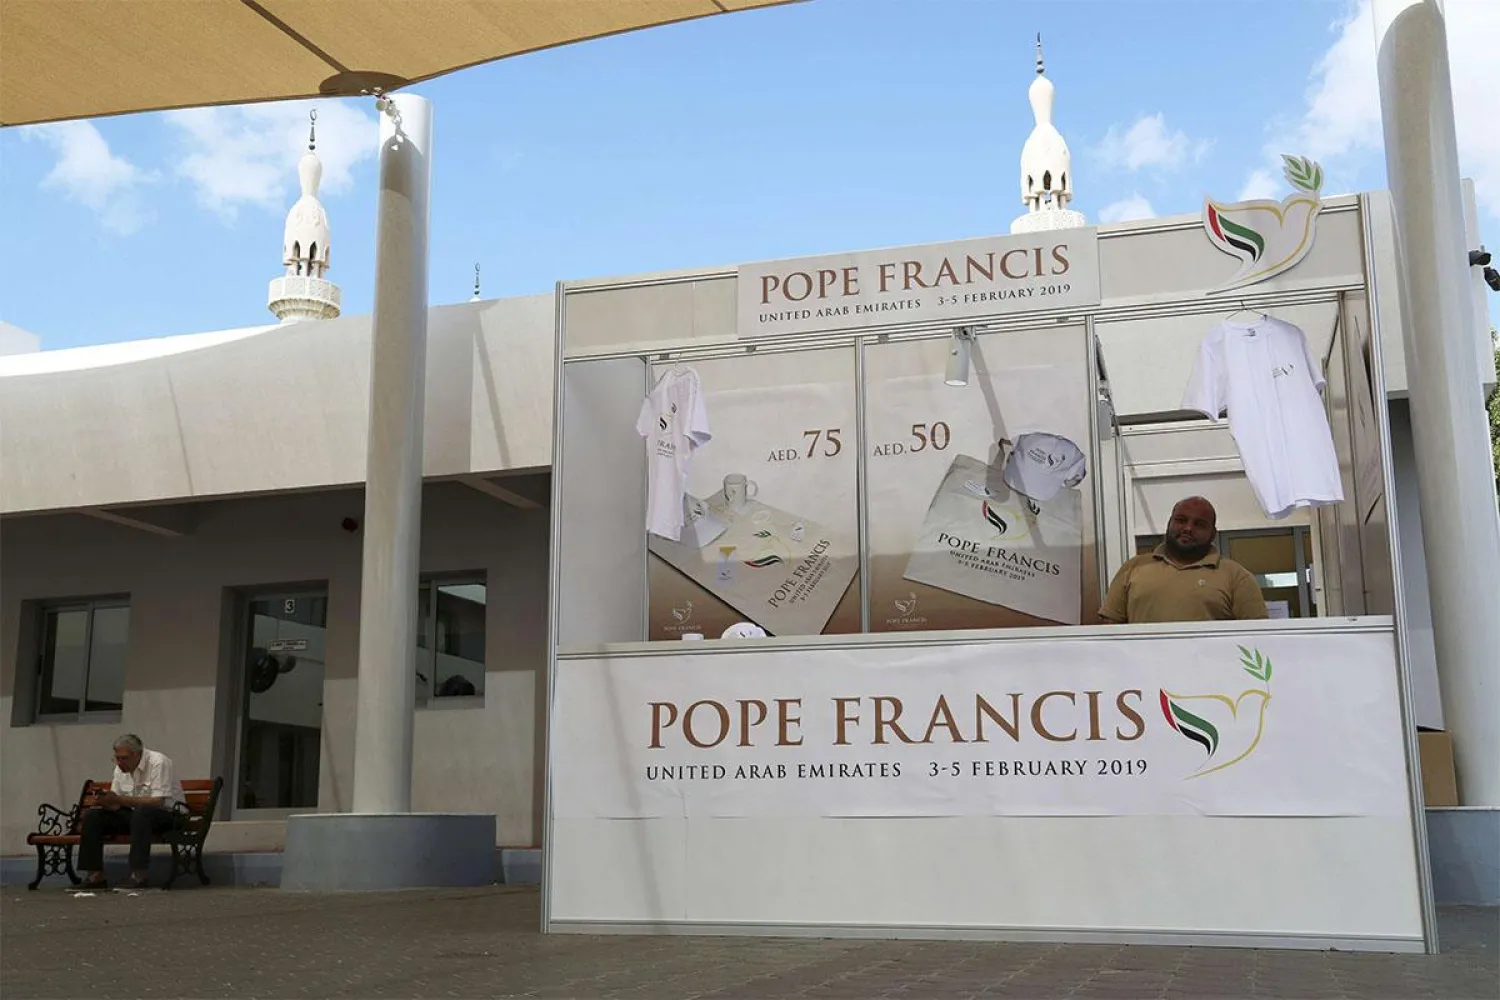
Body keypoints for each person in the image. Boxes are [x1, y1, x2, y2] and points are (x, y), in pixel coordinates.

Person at [1099, 496, 1268, 624]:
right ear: (1169, 523)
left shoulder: (1237, 577)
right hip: (1142, 669)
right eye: (1181, 520)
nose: (1188, 528)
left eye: (1199, 524)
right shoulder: (1133, 568)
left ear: (1213, 534)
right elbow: (1110, 630)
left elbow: (1258, 637)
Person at [77, 734, 184, 890]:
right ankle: (95, 875)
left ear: (137, 754)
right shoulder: (120, 769)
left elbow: (158, 801)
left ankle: (138, 875)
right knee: (94, 816)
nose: (120, 763)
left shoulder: (158, 762)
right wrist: (105, 801)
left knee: (142, 813)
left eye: (124, 758)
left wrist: (119, 800)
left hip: (168, 815)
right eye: (117, 758)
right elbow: (117, 804)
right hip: (136, 816)